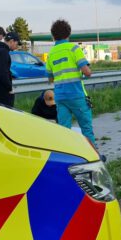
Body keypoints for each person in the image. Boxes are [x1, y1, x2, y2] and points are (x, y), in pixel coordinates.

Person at [45, 19, 96, 147]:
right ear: (69, 34)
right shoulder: (74, 49)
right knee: (86, 128)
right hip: (76, 94)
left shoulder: (51, 53)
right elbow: (87, 72)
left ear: (53, 35)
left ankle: (69, 157)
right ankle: (93, 157)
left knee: (65, 131)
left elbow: (50, 79)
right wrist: (87, 71)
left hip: (60, 96)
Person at [0, 32, 18, 107]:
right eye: (16, 43)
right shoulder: (4, 52)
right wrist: (9, 88)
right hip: (2, 91)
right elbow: (3, 73)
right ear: (11, 41)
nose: (16, 46)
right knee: (7, 115)